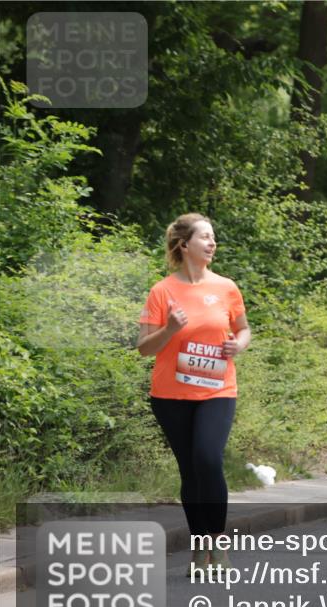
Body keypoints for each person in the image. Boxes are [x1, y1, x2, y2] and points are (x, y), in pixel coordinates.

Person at [137, 213, 251, 575]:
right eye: (206, 237)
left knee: (207, 457)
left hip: (218, 390)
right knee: (189, 470)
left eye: (213, 237)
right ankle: (199, 549)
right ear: (184, 245)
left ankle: (219, 545)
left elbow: (244, 329)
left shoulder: (226, 288)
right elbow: (144, 348)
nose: (213, 243)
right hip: (170, 395)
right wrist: (170, 328)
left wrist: (239, 346)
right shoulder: (162, 291)